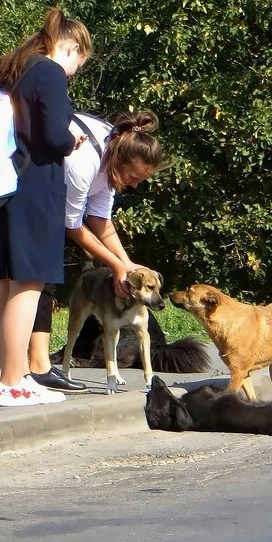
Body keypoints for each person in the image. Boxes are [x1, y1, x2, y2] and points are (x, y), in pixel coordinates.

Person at [0, 8, 91, 407]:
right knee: (28, 286)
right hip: (33, 188)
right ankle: (14, 382)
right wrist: (71, 141)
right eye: (81, 60)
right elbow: (56, 137)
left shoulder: (8, 67)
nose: (77, 69)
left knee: (0, 287)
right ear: (73, 48)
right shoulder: (49, 72)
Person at [26, 110, 165, 391]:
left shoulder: (112, 161)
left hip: (52, 203)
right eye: (134, 176)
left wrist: (126, 264)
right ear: (120, 160)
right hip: (27, 196)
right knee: (36, 283)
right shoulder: (86, 162)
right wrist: (115, 267)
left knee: (45, 283)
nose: (135, 184)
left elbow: (101, 220)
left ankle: (35, 365)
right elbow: (74, 225)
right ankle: (31, 367)